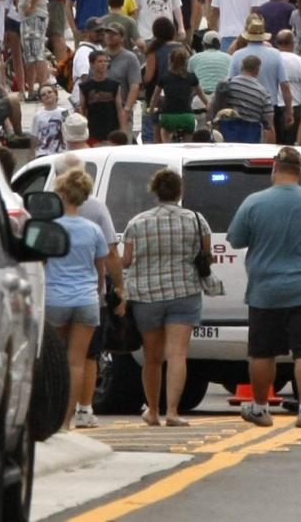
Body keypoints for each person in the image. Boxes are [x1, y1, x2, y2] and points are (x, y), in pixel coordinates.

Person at [225, 146, 301, 429]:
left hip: (265, 291)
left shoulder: (253, 203)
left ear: (274, 168)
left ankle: (259, 407)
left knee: (262, 352)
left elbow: (236, 240)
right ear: (300, 170)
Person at [121, 167, 212, 425]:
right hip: (184, 291)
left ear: (154, 191)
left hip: (146, 295)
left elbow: (126, 260)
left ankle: (152, 410)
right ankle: (172, 411)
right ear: (180, 191)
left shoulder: (137, 222)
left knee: (152, 357)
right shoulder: (196, 219)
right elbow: (206, 255)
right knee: (177, 354)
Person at [44, 168, 118, 431]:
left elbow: (41, 265)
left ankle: (51, 416)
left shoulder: (50, 228)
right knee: (78, 361)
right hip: (87, 300)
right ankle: (68, 419)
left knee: (56, 360)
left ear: (62, 195)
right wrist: (98, 293)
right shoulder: (93, 231)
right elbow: (101, 270)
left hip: (55, 298)